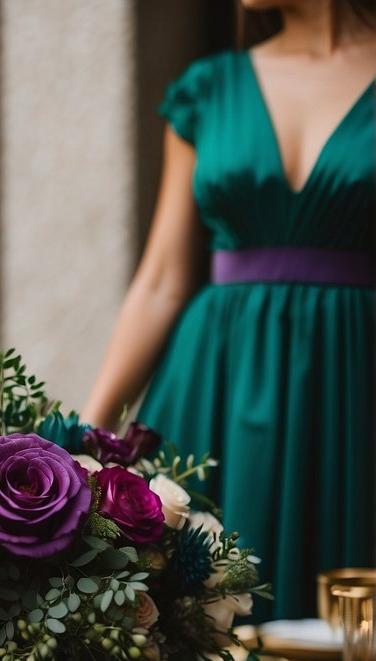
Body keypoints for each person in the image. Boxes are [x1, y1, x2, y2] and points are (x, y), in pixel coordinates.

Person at [82, 0, 376, 620]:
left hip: (353, 381)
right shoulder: (207, 89)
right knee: (195, 623)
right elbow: (162, 277)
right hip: (213, 380)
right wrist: (87, 434)